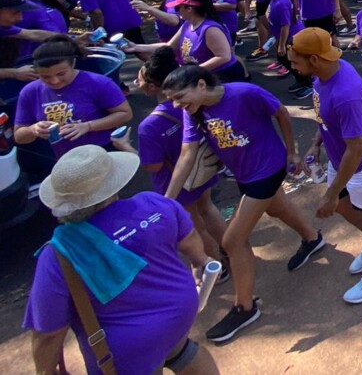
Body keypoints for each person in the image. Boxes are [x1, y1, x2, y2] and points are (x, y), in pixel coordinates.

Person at [24, 145, 220, 375]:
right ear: (113, 184)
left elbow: (48, 334)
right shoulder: (154, 203)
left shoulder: (58, 254)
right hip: (179, 316)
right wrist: (199, 262)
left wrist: (45, 371)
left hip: (127, 351)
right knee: (180, 350)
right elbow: (190, 239)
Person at [162, 64, 323, 343]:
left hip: (269, 167)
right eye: (172, 100)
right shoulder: (192, 112)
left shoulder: (245, 93)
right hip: (244, 173)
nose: (176, 104)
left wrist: (291, 152)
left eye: (179, 96)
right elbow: (187, 154)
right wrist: (166, 201)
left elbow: (281, 113)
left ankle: (245, 308)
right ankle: (312, 239)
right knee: (276, 207)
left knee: (232, 241)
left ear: (201, 85)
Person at [290, 28, 362, 304]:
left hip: (361, 165)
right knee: (345, 208)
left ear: (314, 59)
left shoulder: (346, 94)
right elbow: (325, 117)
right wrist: (316, 144)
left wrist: (331, 193)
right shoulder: (326, 72)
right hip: (339, 159)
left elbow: (357, 148)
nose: (293, 67)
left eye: (295, 62)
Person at [133, 47, 226, 264]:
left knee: (194, 227)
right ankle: (233, 249)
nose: (137, 83)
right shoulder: (194, 103)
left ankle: (214, 266)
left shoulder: (149, 126)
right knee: (207, 208)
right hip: (201, 170)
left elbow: (153, 166)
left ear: (153, 86)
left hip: (174, 181)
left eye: (140, 79)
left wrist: (125, 148)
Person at [14, 37, 134, 182]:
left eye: (61, 74)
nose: (54, 81)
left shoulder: (97, 83)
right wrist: (33, 129)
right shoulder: (30, 92)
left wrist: (88, 126)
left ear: (73, 63)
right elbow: (19, 136)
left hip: (102, 152)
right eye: (45, 77)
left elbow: (125, 114)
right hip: (64, 161)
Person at [127, 0, 248, 84]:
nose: (176, 11)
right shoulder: (187, 25)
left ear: (189, 9)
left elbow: (223, 57)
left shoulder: (210, 29)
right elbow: (169, 46)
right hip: (202, 76)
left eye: (177, 8)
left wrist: (191, 72)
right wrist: (136, 47)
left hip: (222, 77)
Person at [254, 0, 296, 81]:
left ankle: (304, 83)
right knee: (283, 59)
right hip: (282, 37)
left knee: (292, 63)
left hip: (290, 39)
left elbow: (285, 26)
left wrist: (282, 45)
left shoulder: (281, 3)